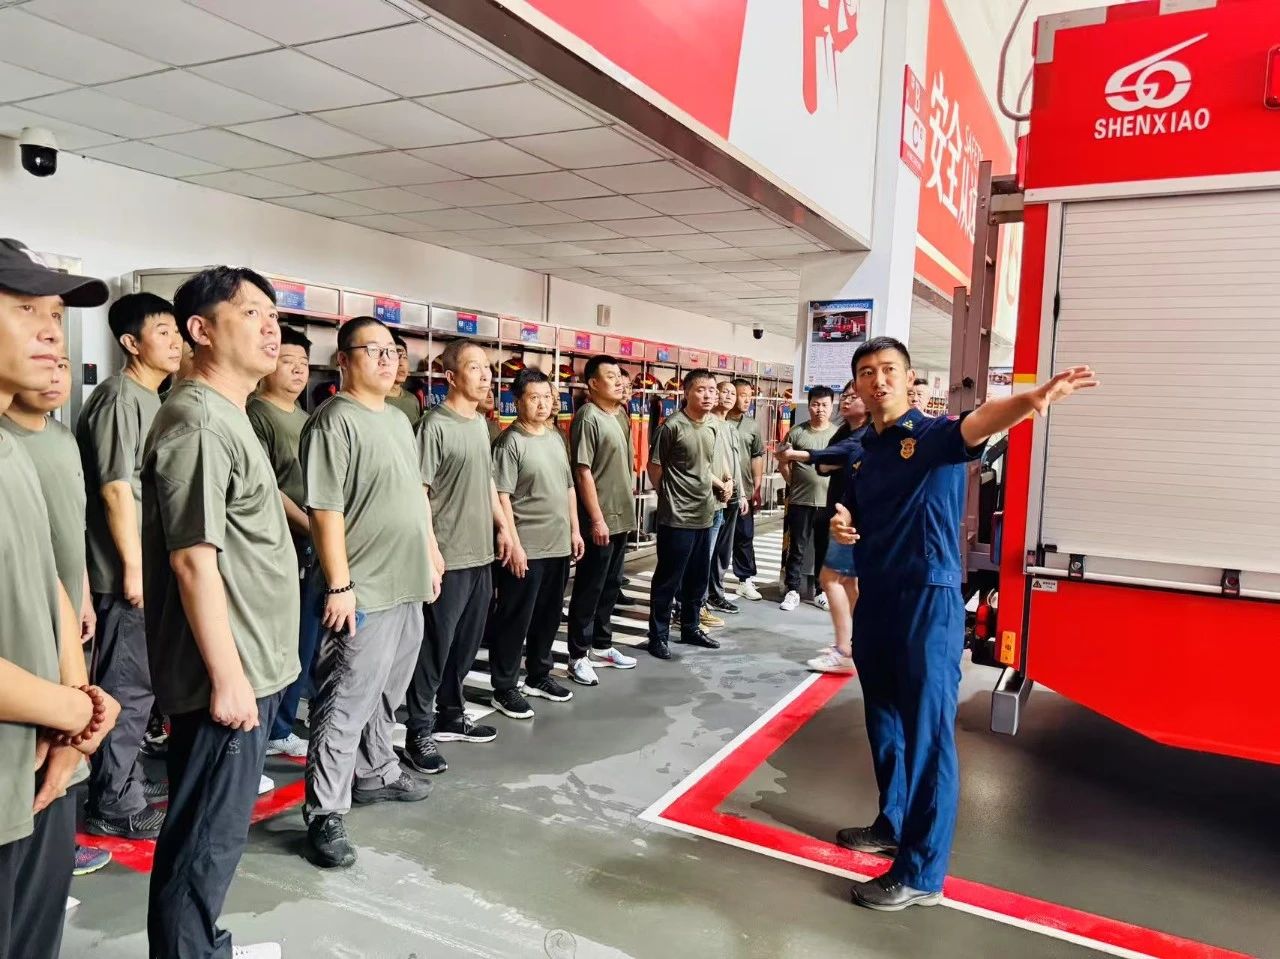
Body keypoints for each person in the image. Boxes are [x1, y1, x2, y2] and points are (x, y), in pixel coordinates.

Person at [830, 336, 1097, 911]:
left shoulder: (932, 436)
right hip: (877, 597)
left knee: (928, 736)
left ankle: (921, 874)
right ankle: (892, 823)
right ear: (856, 385)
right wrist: (843, 524)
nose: (878, 381)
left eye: (889, 370)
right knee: (884, 721)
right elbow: (855, 509)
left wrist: (1032, 399)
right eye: (867, 372)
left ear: (908, 379)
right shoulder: (862, 450)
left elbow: (981, 421)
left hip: (927, 603)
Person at [143, 266, 302, 958]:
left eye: (273, 314)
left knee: (218, 834)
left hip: (250, 663)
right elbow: (192, 560)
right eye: (251, 312)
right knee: (203, 840)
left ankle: (202, 943)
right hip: (226, 676)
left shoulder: (228, 413)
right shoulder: (201, 422)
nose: (270, 327)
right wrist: (229, 677)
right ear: (200, 330)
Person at [0, 240, 120, 959]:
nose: (51, 331)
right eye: (24, 309)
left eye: (54, 313)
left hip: (37, 772)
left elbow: (47, 576)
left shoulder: (13, 450)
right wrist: (77, 713)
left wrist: (77, 712)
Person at [300, 316, 439, 869]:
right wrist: (340, 584)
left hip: (407, 581)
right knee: (345, 700)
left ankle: (376, 771)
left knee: (387, 690)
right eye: (372, 350)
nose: (386, 360)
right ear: (343, 360)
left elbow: (415, 496)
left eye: (391, 351)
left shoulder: (399, 419)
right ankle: (325, 813)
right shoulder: (334, 422)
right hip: (363, 588)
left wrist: (431, 553)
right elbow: (324, 510)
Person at [77, 291, 181, 840]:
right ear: (130, 343)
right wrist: (135, 572)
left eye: (176, 332)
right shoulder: (120, 399)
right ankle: (114, 803)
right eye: (163, 331)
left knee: (141, 689)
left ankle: (126, 780)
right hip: (123, 579)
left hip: (146, 572)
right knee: (125, 689)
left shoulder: (152, 398)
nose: (175, 341)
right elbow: (116, 489)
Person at [403, 339, 513, 775]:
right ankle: (418, 731)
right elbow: (419, 492)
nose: (485, 376)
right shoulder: (434, 425)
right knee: (435, 648)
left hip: (480, 554)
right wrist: (431, 550)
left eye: (487, 368)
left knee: (466, 645)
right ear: (451, 377)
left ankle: (451, 714)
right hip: (448, 555)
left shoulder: (480, 424)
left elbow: (486, 482)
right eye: (474, 368)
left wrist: (504, 528)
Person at [488, 368, 583, 718]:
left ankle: (539, 675)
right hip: (526, 546)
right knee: (515, 618)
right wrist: (513, 544)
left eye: (547, 397)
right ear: (517, 402)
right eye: (534, 398)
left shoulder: (556, 437)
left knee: (548, 616)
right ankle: (504, 687)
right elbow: (502, 496)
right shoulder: (510, 442)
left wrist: (575, 530)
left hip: (557, 544)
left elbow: (568, 487)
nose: (542, 404)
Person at [247, 327, 323, 759]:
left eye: (304, 363)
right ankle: (274, 726)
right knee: (283, 640)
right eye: (287, 360)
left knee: (306, 638)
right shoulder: (256, 414)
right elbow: (268, 487)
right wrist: (310, 526)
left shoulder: (306, 417)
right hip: (284, 543)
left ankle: (286, 717)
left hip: (312, 541)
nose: (297, 370)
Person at [777, 381, 869, 673]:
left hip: (851, 517)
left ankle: (846, 649)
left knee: (831, 578)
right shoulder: (845, 431)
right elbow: (825, 464)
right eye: (845, 396)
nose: (847, 401)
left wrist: (798, 455)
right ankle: (855, 644)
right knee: (848, 582)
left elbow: (831, 457)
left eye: (854, 396)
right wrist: (834, 460)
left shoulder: (867, 433)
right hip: (840, 514)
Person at [564, 355, 640, 686]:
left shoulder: (621, 414)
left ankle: (603, 644)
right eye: (611, 376)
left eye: (620, 376)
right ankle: (578, 656)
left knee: (611, 584)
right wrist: (596, 519)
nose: (619, 382)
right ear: (593, 383)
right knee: (590, 587)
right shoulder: (588, 417)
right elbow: (582, 471)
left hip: (622, 515)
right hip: (601, 518)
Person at [645, 369, 729, 660]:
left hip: (705, 513)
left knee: (697, 577)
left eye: (711, 390)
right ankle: (658, 636)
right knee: (668, 579)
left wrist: (722, 484)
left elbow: (704, 466)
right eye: (700, 390)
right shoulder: (672, 426)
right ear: (687, 392)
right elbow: (655, 468)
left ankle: (691, 627)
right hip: (677, 517)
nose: (708, 395)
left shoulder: (713, 425)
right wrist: (669, 497)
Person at [777, 386, 837, 612]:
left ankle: (821, 592)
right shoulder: (796, 432)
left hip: (828, 503)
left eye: (824, 405)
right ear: (809, 405)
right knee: (797, 547)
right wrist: (793, 483)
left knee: (824, 549)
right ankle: (792, 590)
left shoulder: (838, 434)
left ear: (831, 407)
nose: (820, 409)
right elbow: (783, 462)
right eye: (815, 404)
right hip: (800, 501)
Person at [704, 379, 748, 617]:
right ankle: (700, 599)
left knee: (723, 550)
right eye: (725, 392)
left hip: (731, 494)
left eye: (733, 393)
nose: (730, 396)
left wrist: (741, 493)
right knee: (706, 551)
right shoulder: (708, 422)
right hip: (713, 495)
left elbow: (735, 463)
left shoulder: (731, 427)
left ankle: (716, 593)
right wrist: (722, 484)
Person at [727, 378, 766, 601]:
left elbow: (756, 455)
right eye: (742, 395)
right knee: (718, 539)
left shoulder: (751, 425)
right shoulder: (718, 420)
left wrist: (757, 487)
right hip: (720, 491)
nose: (746, 400)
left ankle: (745, 580)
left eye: (749, 396)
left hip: (745, 491)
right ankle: (712, 583)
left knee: (745, 536)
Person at [386, 332, 422, 426]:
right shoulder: (374, 400)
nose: (401, 363)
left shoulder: (413, 400)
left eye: (405, 357)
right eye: (396, 356)